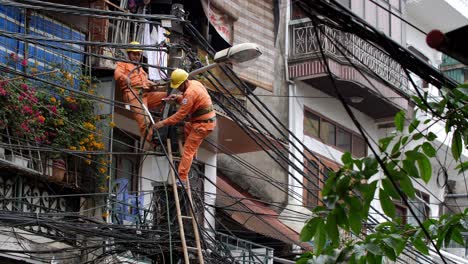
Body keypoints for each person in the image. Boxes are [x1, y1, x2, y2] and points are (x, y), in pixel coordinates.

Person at [154, 69, 216, 184]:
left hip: (202, 125)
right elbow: (190, 101)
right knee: (187, 127)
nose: (178, 89)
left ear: (184, 82)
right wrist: (177, 98)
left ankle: (181, 179)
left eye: (179, 86)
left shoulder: (190, 93)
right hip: (201, 121)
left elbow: (179, 116)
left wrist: (162, 123)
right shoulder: (194, 84)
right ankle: (193, 157)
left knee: (188, 151)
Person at [114, 41, 166, 144]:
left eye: (138, 54)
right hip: (133, 94)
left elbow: (146, 82)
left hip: (145, 95)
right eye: (134, 54)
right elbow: (117, 73)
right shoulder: (123, 64)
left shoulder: (140, 69)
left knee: (167, 96)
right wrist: (125, 78)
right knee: (145, 121)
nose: (136, 57)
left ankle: (164, 120)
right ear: (128, 54)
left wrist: (154, 85)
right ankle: (153, 141)